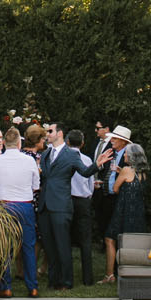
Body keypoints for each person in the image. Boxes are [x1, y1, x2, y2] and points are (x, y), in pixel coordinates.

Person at [40, 120, 105, 290]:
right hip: (45, 205)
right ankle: (53, 281)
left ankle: (66, 282)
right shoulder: (46, 154)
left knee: (62, 245)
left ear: (59, 133)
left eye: (50, 131)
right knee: (49, 246)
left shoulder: (71, 155)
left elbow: (84, 172)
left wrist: (97, 165)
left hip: (61, 205)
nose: (47, 134)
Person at [0, 126, 41, 296]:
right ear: (19, 143)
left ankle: (5, 286)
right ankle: (32, 286)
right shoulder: (29, 161)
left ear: (4, 143)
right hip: (25, 204)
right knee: (28, 246)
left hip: (4, 205)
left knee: (3, 246)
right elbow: (36, 185)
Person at [103, 141, 147, 283]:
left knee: (110, 239)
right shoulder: (143, 173)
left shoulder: (126, 170)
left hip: (123, 210)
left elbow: (115, 189)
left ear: (132, 156)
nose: (125, 155)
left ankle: (110, 275)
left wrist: (120, 173)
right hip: (137, 212)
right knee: (132, 242)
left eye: (127, 153)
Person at [68, 129, 95, 286]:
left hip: (68, 199)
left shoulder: (63, 158)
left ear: (67, 142)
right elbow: (90, 183)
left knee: (66, 238)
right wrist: (88, 195)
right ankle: (87, 278)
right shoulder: (87, 160)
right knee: (85, 240)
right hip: (83, 200)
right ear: (83, 143)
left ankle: (68, 276)